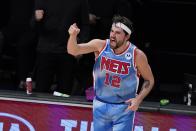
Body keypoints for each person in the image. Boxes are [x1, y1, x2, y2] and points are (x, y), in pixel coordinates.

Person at [67, 15, 154, 131]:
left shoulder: (137, 55)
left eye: (117, 33)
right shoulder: (100, 45)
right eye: (112, 31)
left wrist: (138, 99)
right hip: (100, 104)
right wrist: (72, 36)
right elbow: (73, 50)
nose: (112, 35)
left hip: (123, 108)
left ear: (127, 36)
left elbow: (149, 80)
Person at [33, 0, 89, 94]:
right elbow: (33, 27)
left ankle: (61, 109)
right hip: (46, 50)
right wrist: (37, 20)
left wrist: (81, 48)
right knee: (41, 90)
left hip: (68, 51)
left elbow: (85, 25)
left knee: (64, 92)